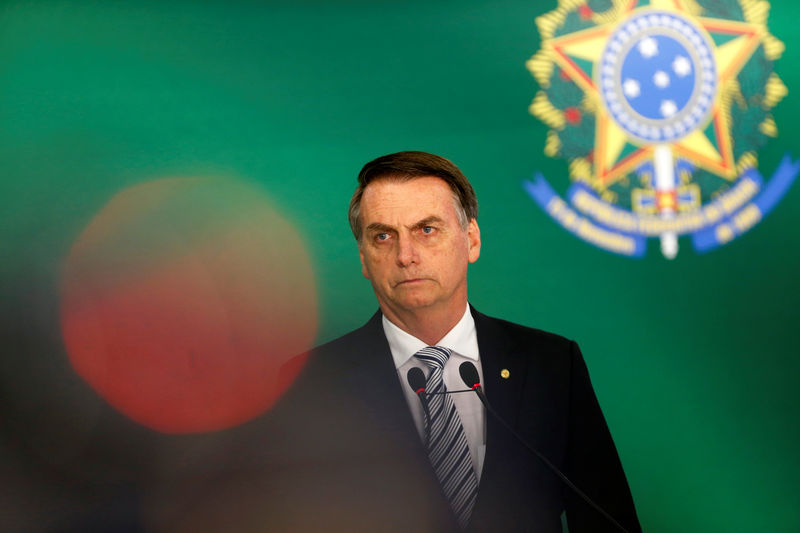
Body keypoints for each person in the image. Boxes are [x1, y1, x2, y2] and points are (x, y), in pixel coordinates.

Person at [259, 151, 641, 532]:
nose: (406, 256)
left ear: (471, 240)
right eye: (383, 236)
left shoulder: (552, 365)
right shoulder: (307, 384)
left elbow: (608, 520)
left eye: (427, 229)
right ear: (363, 257)